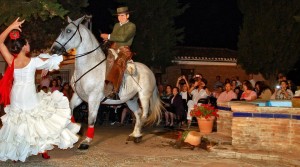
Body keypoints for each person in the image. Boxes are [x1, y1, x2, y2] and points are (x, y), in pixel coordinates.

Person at [0, 18, 80, 162]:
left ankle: (17, 154)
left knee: (18, 122)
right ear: (24, 46)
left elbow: (0, 42)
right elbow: (55, 59)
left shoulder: (12, 61)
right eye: (28, 43)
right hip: (28, 95)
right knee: (37, 120)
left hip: (16, 95)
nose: (29, 45)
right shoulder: (34, 62)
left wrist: (11, 26)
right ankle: (41, 149)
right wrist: (47, 65)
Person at [100, 6, 136, 99]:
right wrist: (107, 40)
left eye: (123, 15)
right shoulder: (116, 25)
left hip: (124, 50)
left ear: (127, 15)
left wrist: (108, 36)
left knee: (118, 64)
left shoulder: (131, 26)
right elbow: (114, 37)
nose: (120, 17)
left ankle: (113, 90)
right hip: (113, 48)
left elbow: (123, 38)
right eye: (119, 15)